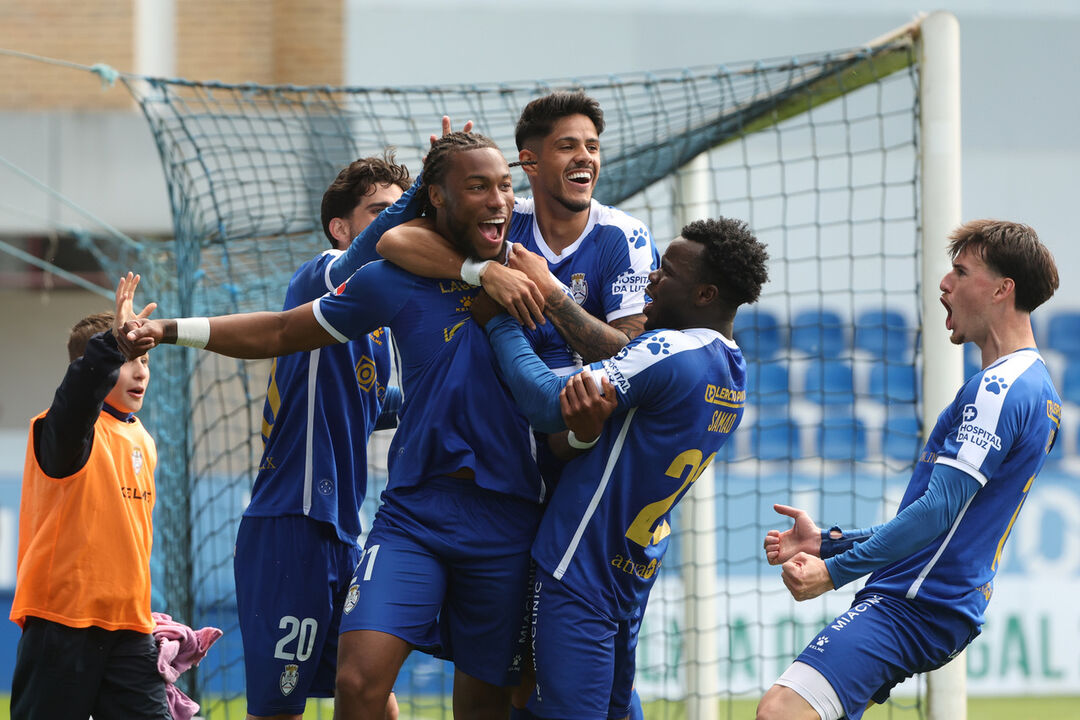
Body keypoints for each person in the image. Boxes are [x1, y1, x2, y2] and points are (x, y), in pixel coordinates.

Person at [119, 131, 571, 720]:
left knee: (421, 699)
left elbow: (401, 400)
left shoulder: (505, 285)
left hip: (413, 522)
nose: (497, 199)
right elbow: (281, 330)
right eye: (476, 186)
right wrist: (168, 329)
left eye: (504, 186)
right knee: (328, 690)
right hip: (313, 521)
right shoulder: (348, 275)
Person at [755, 220, 1061, 720]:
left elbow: (937, 512)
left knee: (781, 712)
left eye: (961, 272)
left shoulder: (1000, 388)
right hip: (927, 600)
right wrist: (829, 542)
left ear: (1003, 289)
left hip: (916, 604)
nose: (945, 284)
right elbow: (939, 517)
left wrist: (833, 572)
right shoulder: (1036, 387)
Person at [470, 218, 771, 720]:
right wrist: (577, 435)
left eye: (666, 272)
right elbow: (587, 442)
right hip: (629, 572)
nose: (651, 278)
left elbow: (550, 405)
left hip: (579, 567)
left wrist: (499, 322)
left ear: (704, 293)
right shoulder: (733, 375)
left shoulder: (669, 349)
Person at [234, 152, 412, 720]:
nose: (397, 223)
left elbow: (373, 406)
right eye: (381, 212)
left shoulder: (378, 326)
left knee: (371, 693)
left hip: (341, 531)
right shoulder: (324, 272)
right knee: (280, 710)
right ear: (341, 227)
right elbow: (362, 257)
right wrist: (428, 188)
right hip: (291, 524)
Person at [9, 273, 168, 720]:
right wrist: (111, 346)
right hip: (62, 621)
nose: (140, 371)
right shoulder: (63, 428)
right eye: (128, 359)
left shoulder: (144, 440)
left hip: (130, 625)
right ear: (93, 367)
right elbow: (78, 399)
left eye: (145, 360)